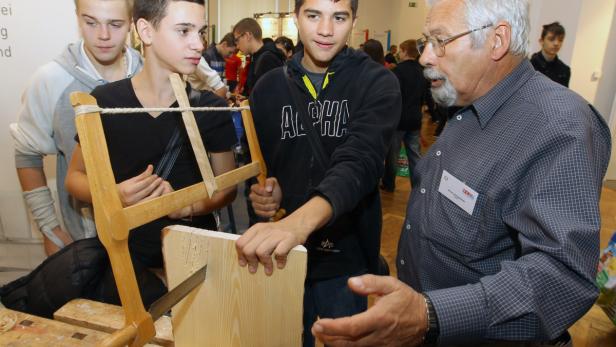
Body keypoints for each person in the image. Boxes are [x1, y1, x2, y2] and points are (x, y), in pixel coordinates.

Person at [311, 0, 611, 346]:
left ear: (497, 40)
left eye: (441, 40)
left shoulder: (558, 125)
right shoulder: (467, 105)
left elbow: (563, 279)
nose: (425, 57)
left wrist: (430, 315)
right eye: (427, 42)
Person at [234, 0, 400, 346]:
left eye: (339, 17)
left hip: (347, 257)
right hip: (282, 259)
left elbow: (360, 163)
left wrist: (297, 223)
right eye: (313, 16)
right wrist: (264, 198)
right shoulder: (267, 88)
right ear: (296, 18)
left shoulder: (377, 82)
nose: (325, 30)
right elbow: (263, 170)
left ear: (354, 20)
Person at [65, 0, 237, 274]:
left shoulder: (210, 109)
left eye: (200, 32)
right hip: (123, 259)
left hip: (193, 259)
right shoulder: (105, 101)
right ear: (145, 31)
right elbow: (74, 177)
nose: (199, 44)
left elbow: (227, 188)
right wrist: (114, 193)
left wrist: (186, 205)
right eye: (184, 31)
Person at [9, 0, 142, 256]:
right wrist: (50, 229)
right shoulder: (51, 80)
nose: (103, 35)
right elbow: (26, 155)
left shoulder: (148, 74)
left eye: (115, 24)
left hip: (147, 234)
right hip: (86, 238)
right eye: (90, 22)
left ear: (132, 22)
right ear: (77, 17)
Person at [381, 39, 428, 192]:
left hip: (399, 119)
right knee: (414, 154)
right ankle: (418, 186)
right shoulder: (422, 71)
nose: (399, 54)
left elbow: (391, 97)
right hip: (415, 118)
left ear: (405, 51)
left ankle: (389, 184)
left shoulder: (397, 71)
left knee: (392, 155)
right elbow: (424, 97)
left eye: (401, 51)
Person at [232, 17, 286, 96]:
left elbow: (272, 96)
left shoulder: (267, 59)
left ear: (247, 35)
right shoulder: (256, 57)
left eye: (237, 40)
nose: (237, 46)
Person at [530, 22, 570, 87]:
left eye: (560, 40)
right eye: (551, 39)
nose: (556, 43)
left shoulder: (565, 70)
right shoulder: (530, 65)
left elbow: (563, 95)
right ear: (541, 41)